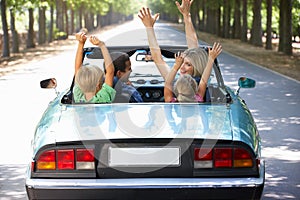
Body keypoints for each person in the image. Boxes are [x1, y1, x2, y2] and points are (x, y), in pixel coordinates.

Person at [138, 0, 200, 80]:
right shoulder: (173, 80)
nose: (182, 67)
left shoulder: (172, 81)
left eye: (188, 64)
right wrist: (186, 16)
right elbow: (157, 57)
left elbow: (157, 58)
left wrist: (149, 27)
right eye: (181, 63)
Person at [73, 32, 116, 103]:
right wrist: (102, 45)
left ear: (79, 82)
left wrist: (81, 44)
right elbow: (110, 72)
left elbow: (77, 70)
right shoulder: (103, 98)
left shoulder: (78, 97)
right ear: (98, 84)